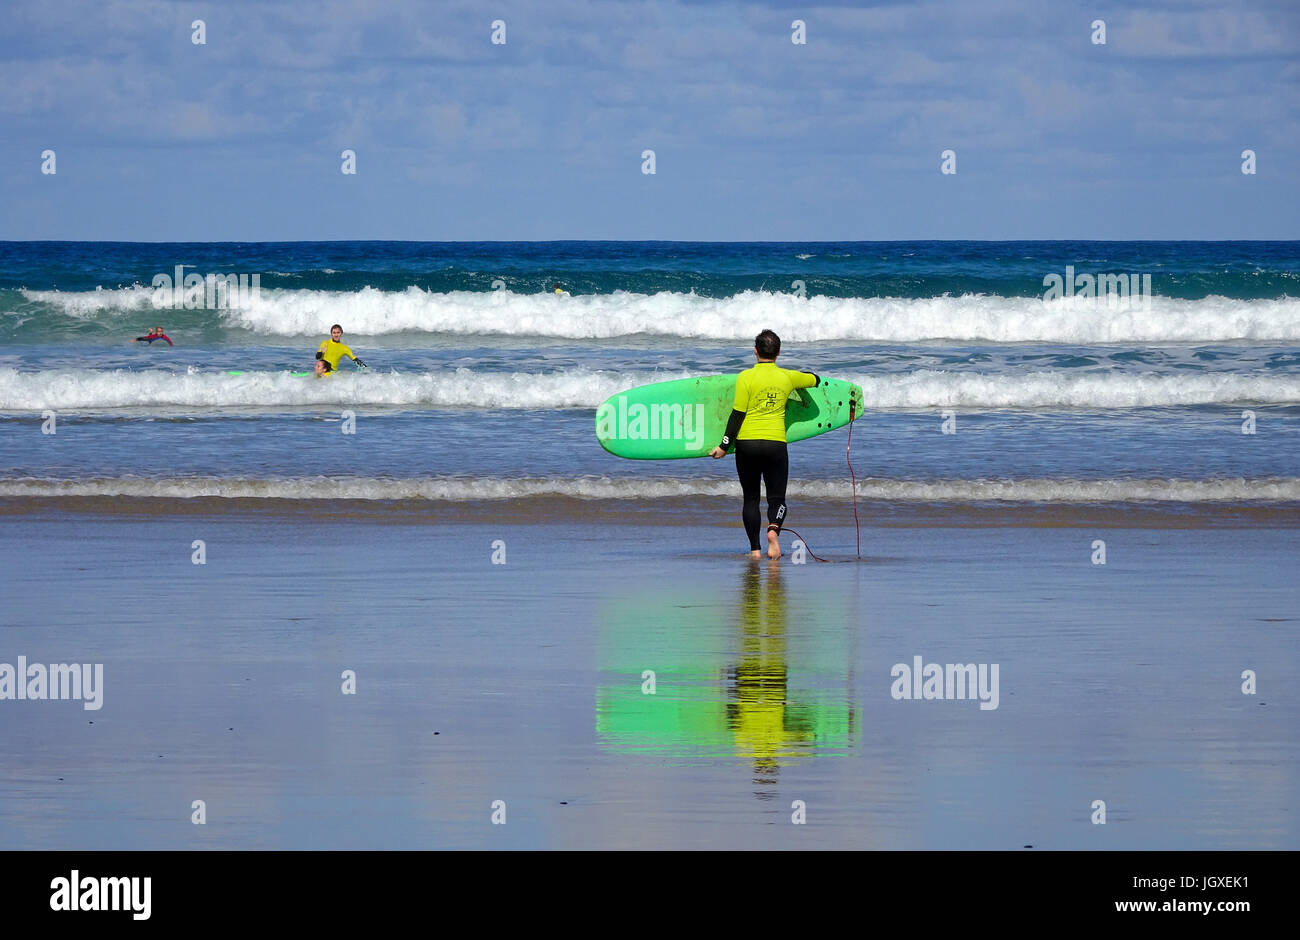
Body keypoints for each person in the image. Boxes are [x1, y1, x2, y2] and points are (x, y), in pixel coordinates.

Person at [709, 329, 819, 560]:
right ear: (778, 352)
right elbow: (814, 379)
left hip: (747, 445)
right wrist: (804, 378)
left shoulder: (745, 377)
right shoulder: (788, 377)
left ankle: (755, 551)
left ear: (755, 351)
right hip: (775, 445)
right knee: (777, 499)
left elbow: (736, 415)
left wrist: (724, 446)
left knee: (750, 498)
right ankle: (773, 530)